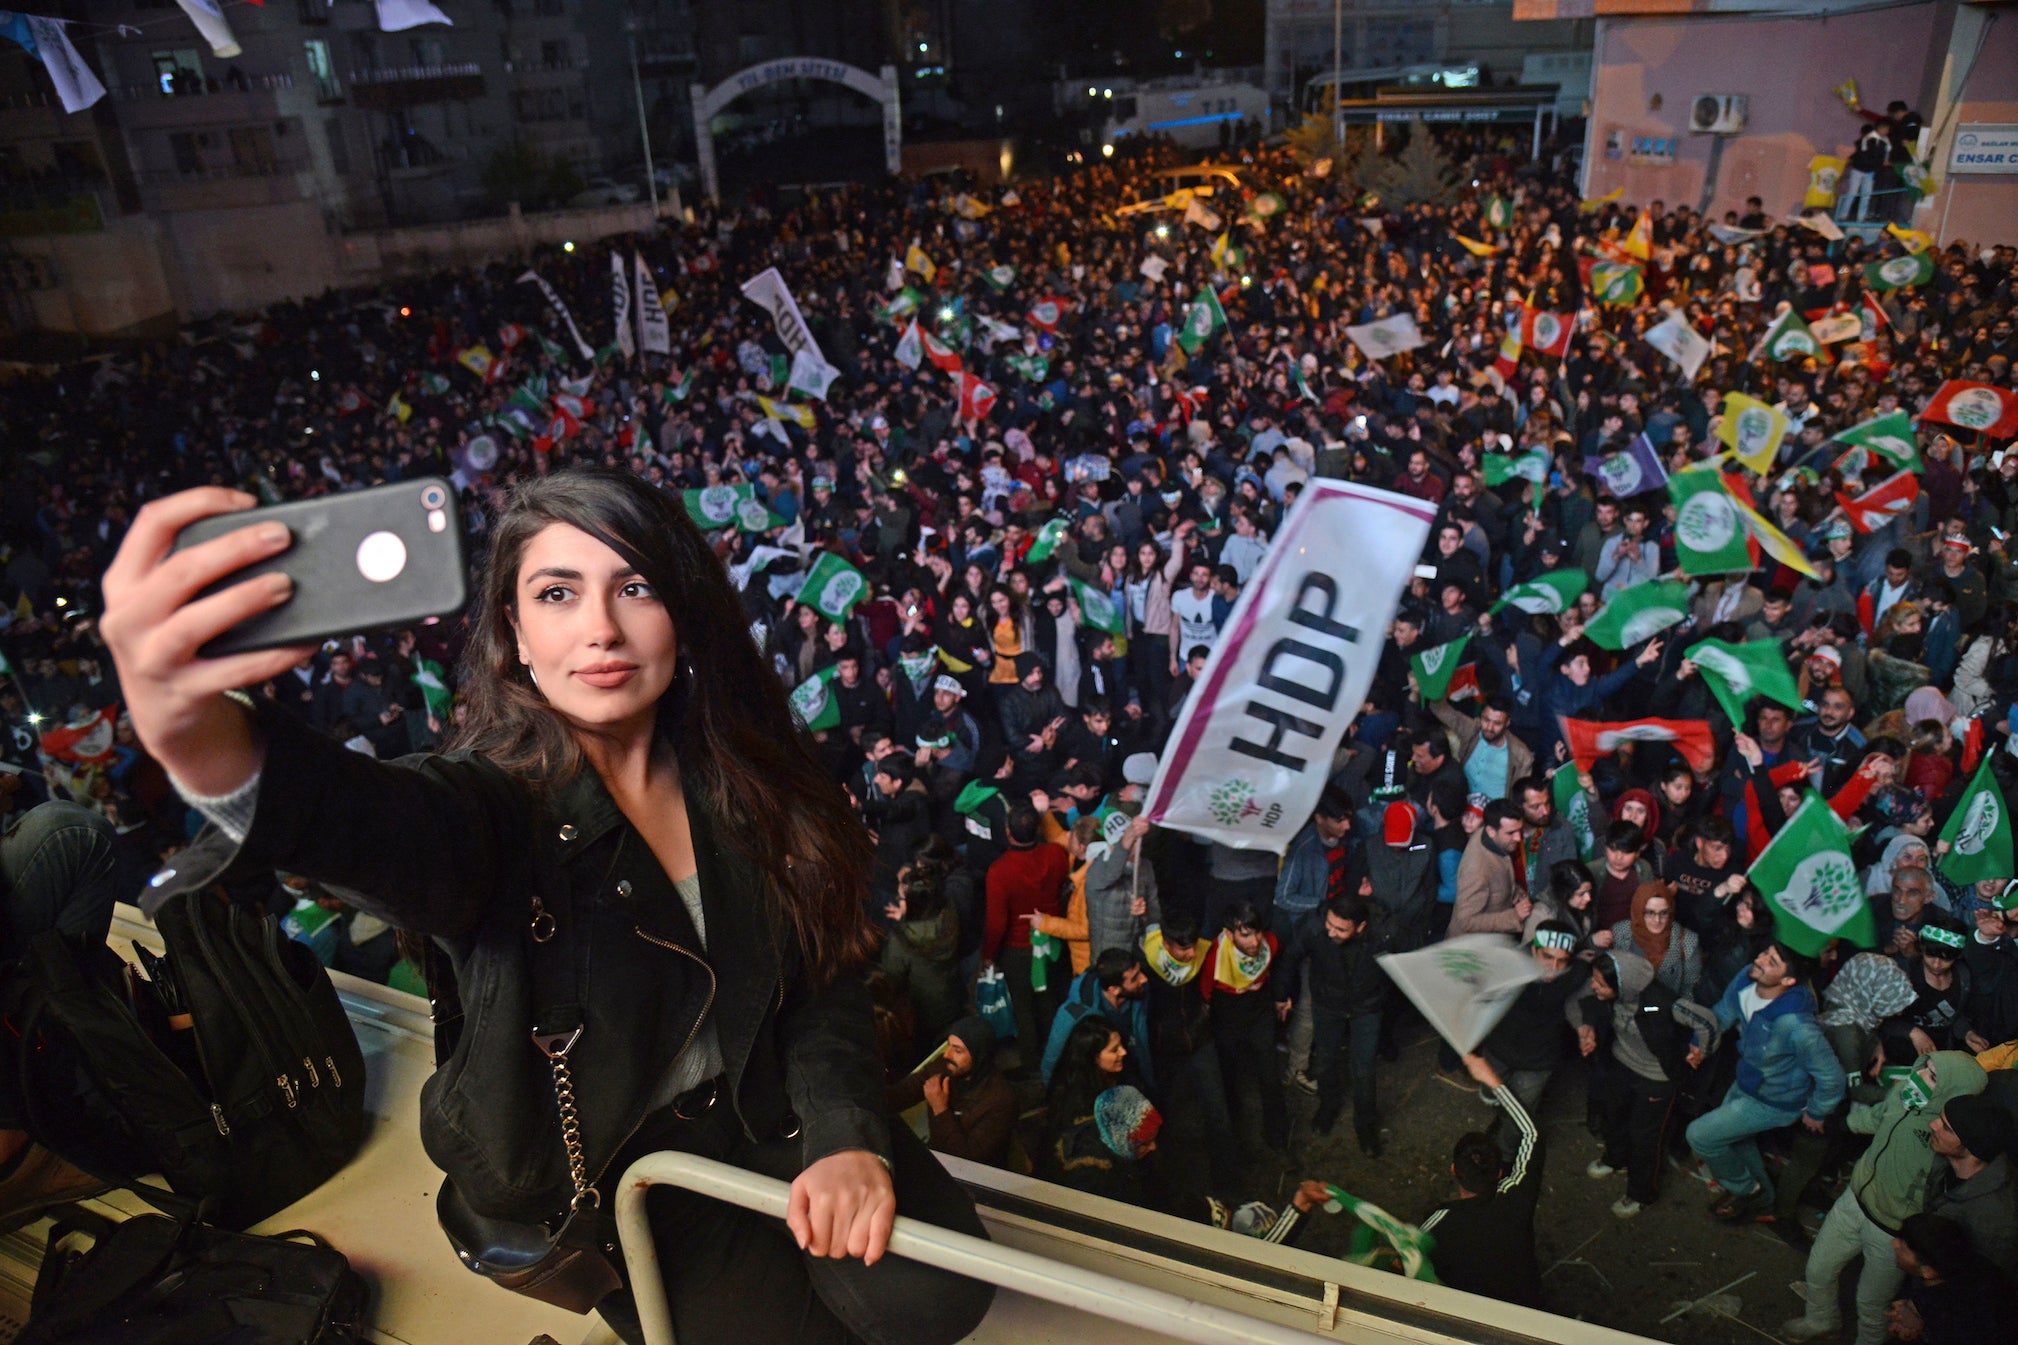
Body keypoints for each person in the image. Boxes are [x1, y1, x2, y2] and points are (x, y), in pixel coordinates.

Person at [100, 476, 994, 1345]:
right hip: (624, 1173)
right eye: (557, 592)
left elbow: (823, 969)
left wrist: (844, 1134)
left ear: (681, 609)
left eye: (634, 586)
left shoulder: (747, 774)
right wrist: (197, 736)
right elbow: (365, 824)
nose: (600, 627)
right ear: (515, 633)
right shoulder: (496, 810)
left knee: (939, 1299)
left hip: (769, 1105)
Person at [1782, 1051, 1988, 1345]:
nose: (1919, 1077)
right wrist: (1839, 1123)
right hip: (1855, 1199)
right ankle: (1821, 1319)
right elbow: (1878, 1118)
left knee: (1872, 1304)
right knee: (1818, 1267)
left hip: (1891, 1229)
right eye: (1924, 1068)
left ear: (1954, 1091)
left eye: (1932, 1076)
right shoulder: (1906, 1095)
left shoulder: (1949, 1138)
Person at [1685, 942, 1844, 1226]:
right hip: (1747, 1081)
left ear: (1788, 981)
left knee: (1700, 1135)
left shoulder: (1797, 1025)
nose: (1759, 960)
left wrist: (1817, 1112)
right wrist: (1700, 1044)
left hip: (1775, 1101)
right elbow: (1723, 1012)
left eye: (1771, 961)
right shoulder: (1748, 977)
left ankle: (1746, 1189)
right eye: (1764, 953)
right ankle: (1765, 1199)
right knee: (1735, 1140)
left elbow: (1831, 1077)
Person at [1581, 951, 1717, 1219]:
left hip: (1656, 1078)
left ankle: (1641, 1193)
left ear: (1623, 987)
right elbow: (1580, 1002)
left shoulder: (1658, 1003)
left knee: (1645, 1138)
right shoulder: (1605, 992)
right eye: (1594, 979)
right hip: (1621, 1063)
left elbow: (1706, 1021)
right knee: (1614, 1115)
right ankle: (1614, 1158)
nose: (1594, 985)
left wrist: (1701, 1049)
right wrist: (1585, 1028)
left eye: (1601, 983)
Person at [1420, 1053, 1544, 1307]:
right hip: (1526, 1303)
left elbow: (1411, 1250)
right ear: (1500, 1173)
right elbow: (1532, 1132)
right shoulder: (1518, 1196)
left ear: (1454, 1170)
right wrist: (1492, 1079)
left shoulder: (1441, 1219)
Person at [1275, 891, 1395, 1155]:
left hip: (1367, 1007)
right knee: (1326, 1061)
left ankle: (1365, 1128)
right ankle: (1328, 1107)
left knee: (1363, 1070)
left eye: (1341, 929)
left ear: (1361, 927)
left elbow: (1412, 952)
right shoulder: (1314, 925)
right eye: (1329, 925)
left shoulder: (1384, 930)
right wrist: (1280, 994)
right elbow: (1291, 955)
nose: (1331, 933)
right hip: (1327, 1003)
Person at [884, 1017, 1016, 1169]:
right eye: (949, 1046)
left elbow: (968, 1161)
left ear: (979, 1055)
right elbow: (903, 1093)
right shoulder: (945, 1067)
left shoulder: (1001, 1101)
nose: (947, 1054)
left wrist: (940, 1109)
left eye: (957, 1050)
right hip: (937, 1159)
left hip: (973, 1177)